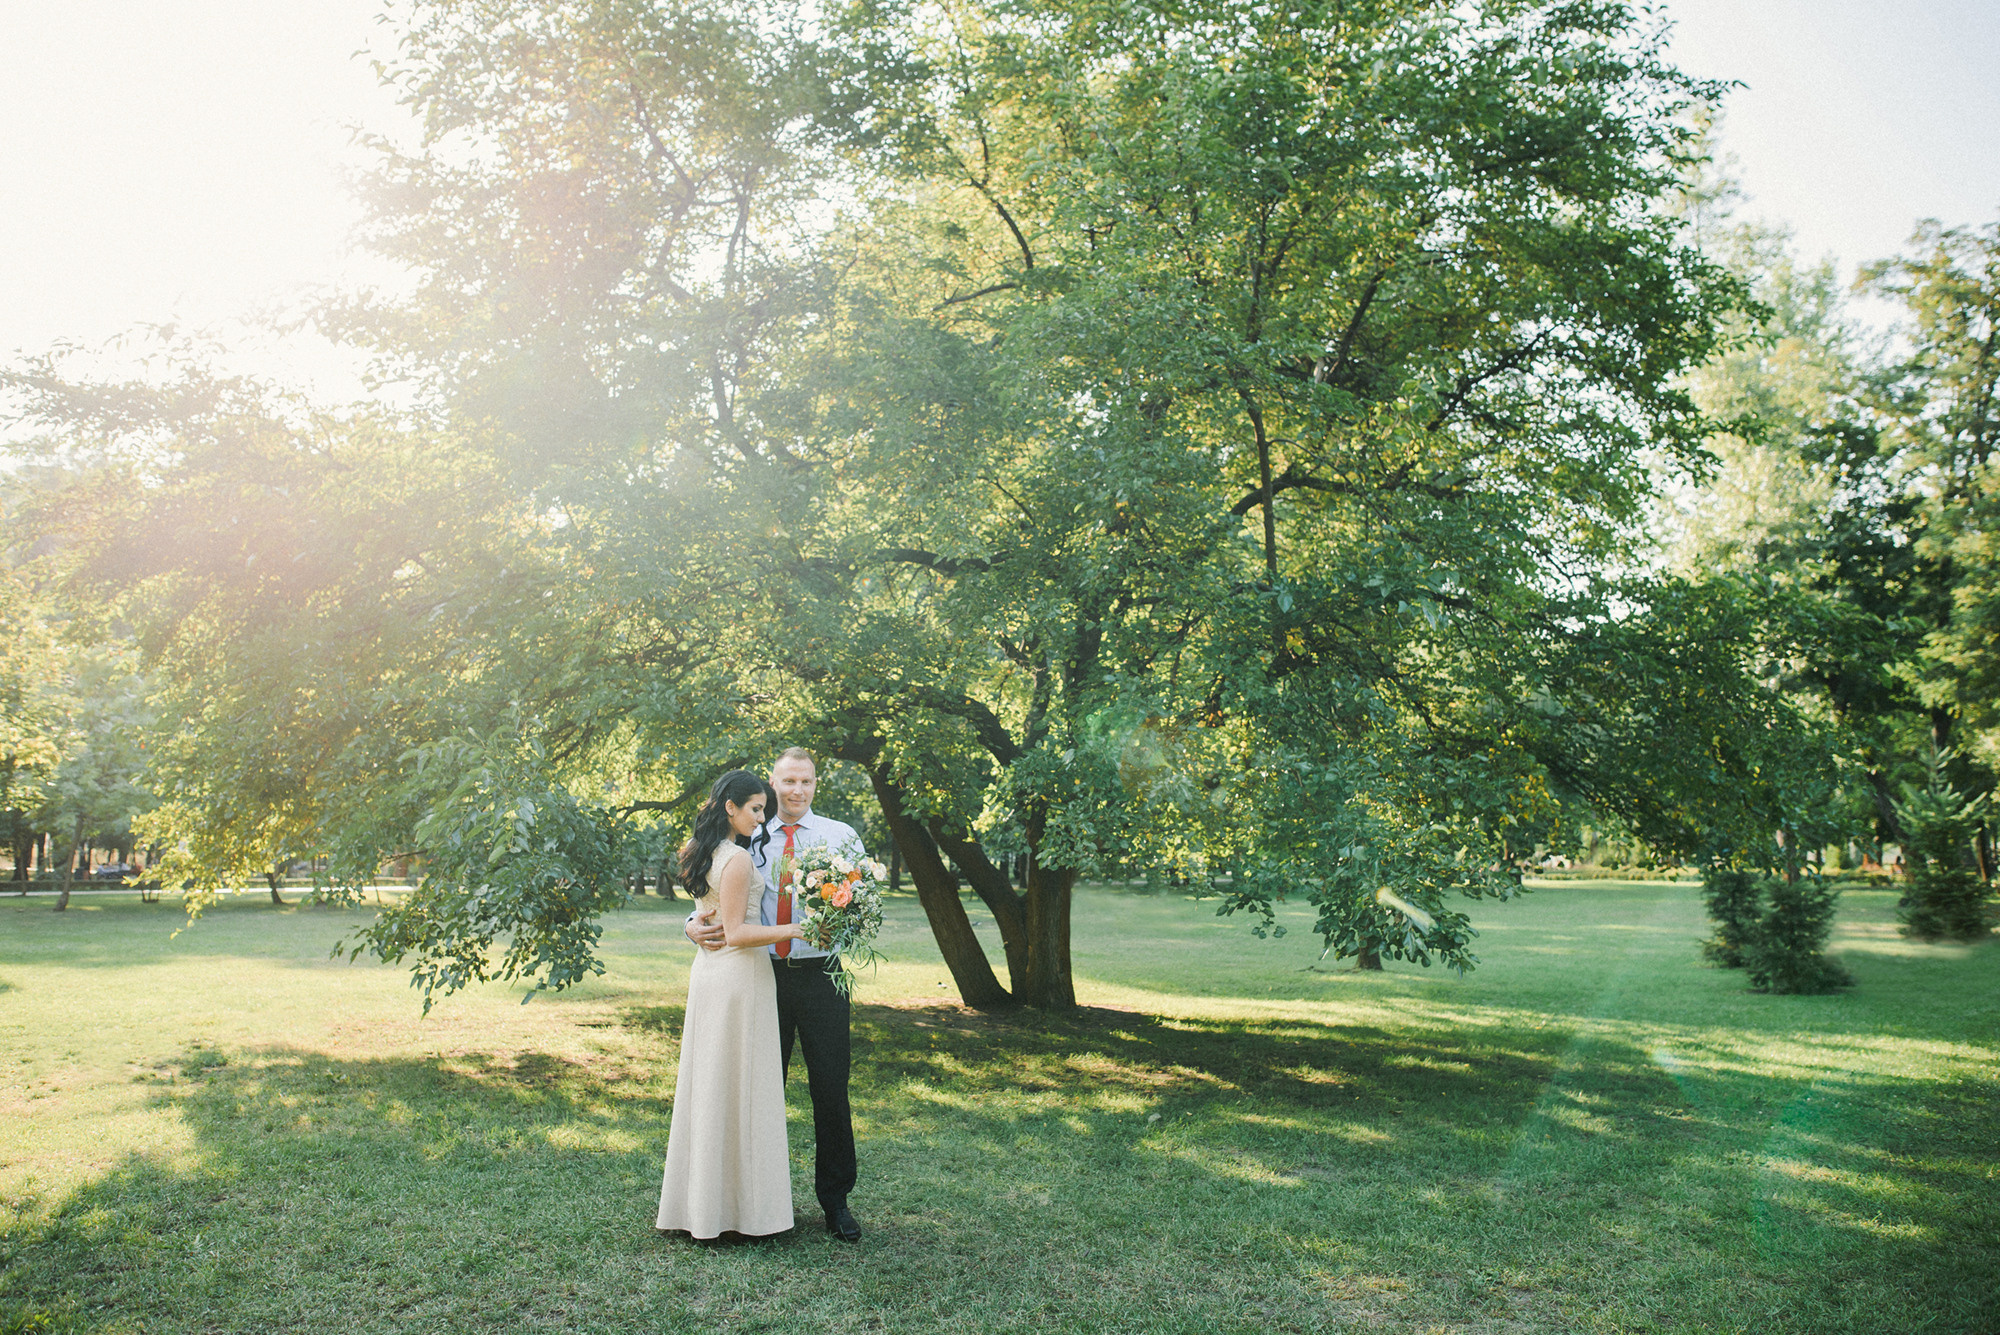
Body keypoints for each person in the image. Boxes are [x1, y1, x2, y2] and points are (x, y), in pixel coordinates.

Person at [687, 746, 865, 1243]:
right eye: (787, 782)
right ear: (772, 784)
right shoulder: (751, 835)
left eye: (805, 782)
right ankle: (755, 1202)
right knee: (760, 1090)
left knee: (830, 1089)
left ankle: (836, 1202)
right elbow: (715, 898)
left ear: (815, 784)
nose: (797, 791)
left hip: (822, 975)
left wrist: (842, 928)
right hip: (761, 977)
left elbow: (865, 910)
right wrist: (689, 926)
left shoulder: (841, 837)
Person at [656, 770, 805, 1240]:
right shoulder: (737, 861)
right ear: (730, 807)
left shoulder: (700, 852)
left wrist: (691, 926)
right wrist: (797, 930)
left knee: (713, 1085)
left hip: (710, 974)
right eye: (757, 809)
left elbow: (710, 917)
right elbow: (738, 933)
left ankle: (704, 1208)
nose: (762, 819)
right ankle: (741, 1213)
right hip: (740, 977)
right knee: (741, 1085)